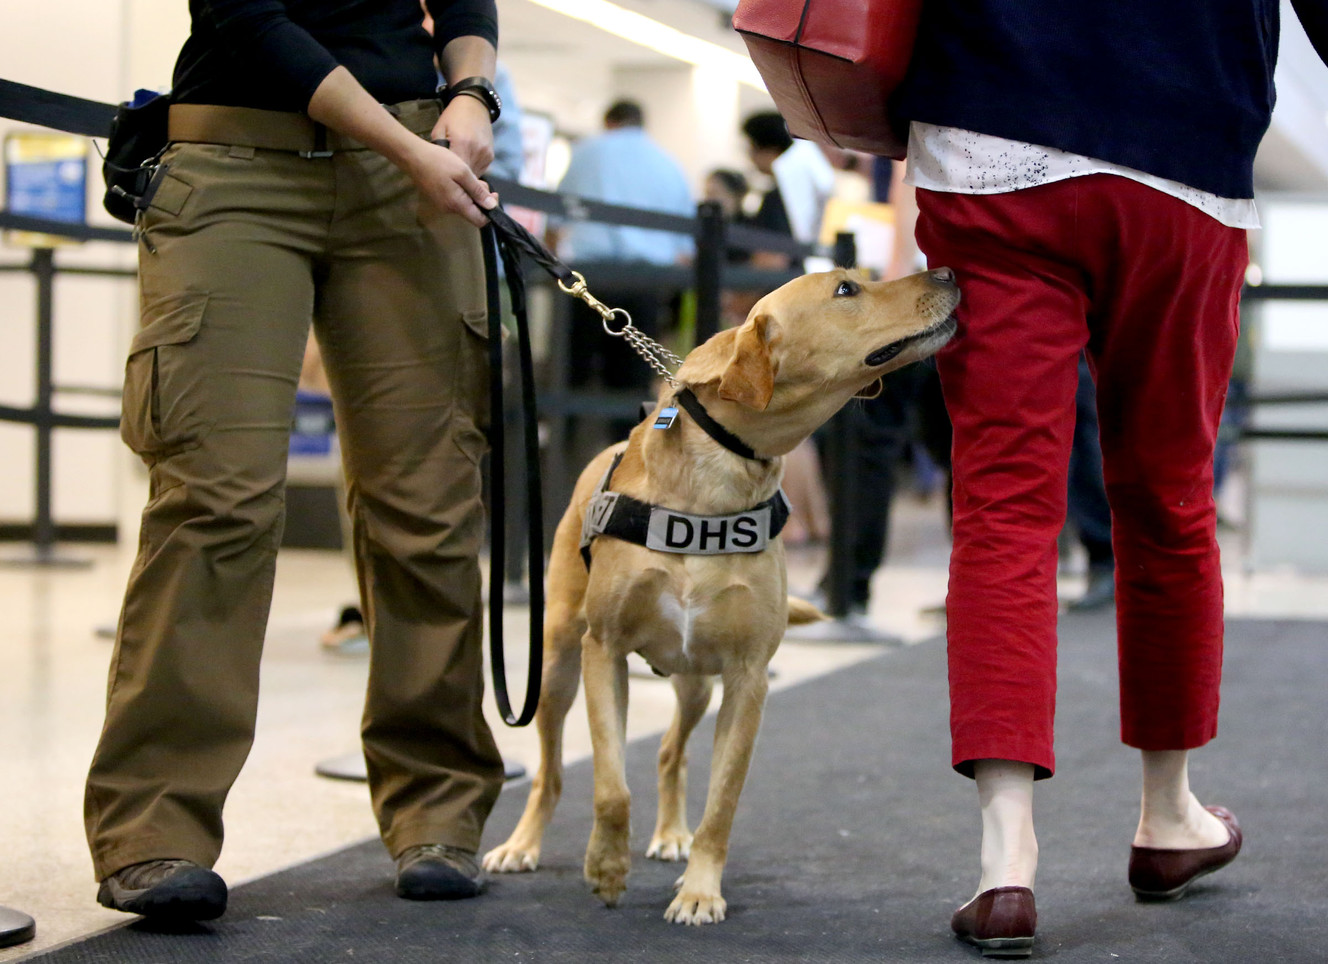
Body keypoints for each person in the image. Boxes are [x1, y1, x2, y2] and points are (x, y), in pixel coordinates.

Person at [892, 0, 1327, 954]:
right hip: (1184, 145)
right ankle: (1168, 816)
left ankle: (1006, 861)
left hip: (994, 134)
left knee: (1004, 506)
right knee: (1169, 501)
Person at [85, 0, 508, 921]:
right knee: (215, 501)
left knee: (428, 500)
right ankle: (154, 828)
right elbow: (245, 17)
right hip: (236, 160)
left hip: (409, 167)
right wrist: (406, 146)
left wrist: (472, 91)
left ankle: (438, 810)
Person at [553, 100, 694, 443]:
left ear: (609, 122)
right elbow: (684, 249)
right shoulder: (668, 163)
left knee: (571, 374)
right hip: (644, 285)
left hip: (587, 280)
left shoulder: (587, 151)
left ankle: (560, 450)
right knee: (633, 381)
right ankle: (630, 452)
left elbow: (555, 222)